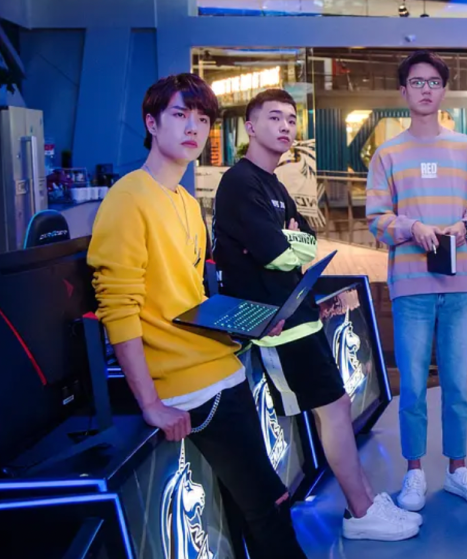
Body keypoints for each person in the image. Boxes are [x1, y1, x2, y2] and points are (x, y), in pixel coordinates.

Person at [88, 74, 309, 558]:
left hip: (218, 367)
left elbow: (189, 300)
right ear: (151, 123)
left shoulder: (187, 203)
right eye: (180, 115)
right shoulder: (128, 198)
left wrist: (241, 327)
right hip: (189, 385)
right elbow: (118, 308)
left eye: (203, 119)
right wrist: (151, 404)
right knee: (268, 504)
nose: (193, 127)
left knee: (251, 506)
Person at [211, 88, 420, 541]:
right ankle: (361, 512)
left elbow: (307, 245)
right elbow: (275, 254)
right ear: (250, 126)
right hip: (277, 326)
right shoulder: (240, 183)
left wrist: (290, 241)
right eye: (274, 118)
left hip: (299, 315)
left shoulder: (274, 184)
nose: (285, 126)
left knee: (337, 408)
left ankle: (365, 501)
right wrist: (287, 243)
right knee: (334, 409)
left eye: (291, 119)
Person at [366, 50, 467, 511]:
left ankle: (458, 468)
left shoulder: (466, 149)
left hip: (457, 282)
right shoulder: (388, 153)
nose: (425, 89)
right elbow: (376, 218)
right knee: (414, 387)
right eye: (417, 82)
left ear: (444, 90)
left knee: (457, 384)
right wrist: (411, 227)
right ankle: (414, 472)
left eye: (433, 82)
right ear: (403, 91)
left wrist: (465, 226)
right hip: (410, 284)